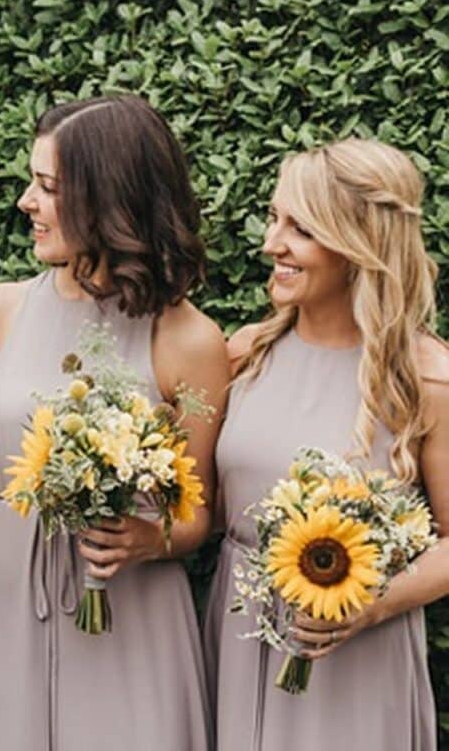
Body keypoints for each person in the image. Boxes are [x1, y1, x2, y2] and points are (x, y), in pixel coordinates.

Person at [0, 94, 227, 750]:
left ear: (109, 200)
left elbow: (198, 514)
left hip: (128, 607)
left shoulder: (189, 338)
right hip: (4, 598)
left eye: (48, 187)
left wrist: (148, 539)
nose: (26, 201)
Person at [204, 138, 449, 750]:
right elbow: (205, 512)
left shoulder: (425, 379)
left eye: (301, 229)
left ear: (358, 243)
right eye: (274, 218)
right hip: (237, 634)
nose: (271, 245)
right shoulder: (244, 353)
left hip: (356, 655)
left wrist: (372, 604)